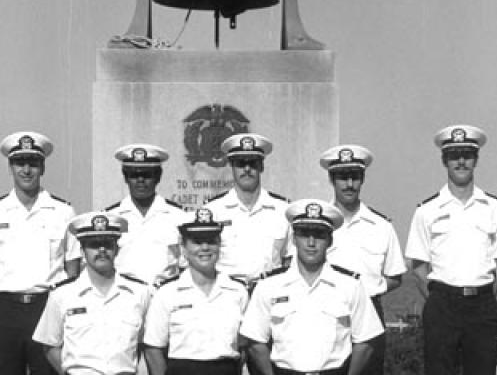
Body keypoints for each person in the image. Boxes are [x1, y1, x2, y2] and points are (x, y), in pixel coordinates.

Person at [404, 124, 497, 375]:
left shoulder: (495, 208)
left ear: (476, 159)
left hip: (482, 304)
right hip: (442, 305)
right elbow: (418, 267)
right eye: (454, 156)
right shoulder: (426, 210)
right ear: (445, 160)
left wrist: (482, 298)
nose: (461, 161)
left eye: (467, 155)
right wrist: (440, 299)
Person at [0, 131, 79, 375]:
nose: (26, 170)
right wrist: (0, 300)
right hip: (5, 311)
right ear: (10, 167)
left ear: (43, 168)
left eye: (33, 163)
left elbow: (73, 267)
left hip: (47, 307)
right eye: (20, 163)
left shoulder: (63, 212)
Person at [240, 199, 383, 375]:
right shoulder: (269, 285)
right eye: (304, 234)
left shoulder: (350, 285)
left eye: (319, 235)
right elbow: (255, 340)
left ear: (330, 240)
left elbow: (366, 341)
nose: (311, 242)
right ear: (293, 239)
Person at [320, 144, 406, 375]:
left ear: (363, 179)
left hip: (369, 312)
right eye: (342, 177)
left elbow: (395, 276)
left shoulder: (381, 226)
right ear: (331, 179)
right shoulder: (318, 225)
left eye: (355, 177)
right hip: (325, 312)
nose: (349, 184)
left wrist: (369, 289)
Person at [33, 211, 152, 375]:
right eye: (94, 244)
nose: (102, 249)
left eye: (108, 244)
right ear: (82, 251)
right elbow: (50, 344)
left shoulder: (139, 293)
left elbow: (149, 345)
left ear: (117, 249)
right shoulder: (62, 295)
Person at [144, 208, 249, 375]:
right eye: (197, 242)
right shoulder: (167, 293)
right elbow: (153, 349)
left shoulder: (237, 291)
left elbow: (244, 349)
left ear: (219, 246)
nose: (205, 248)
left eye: (211, 241)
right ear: (183, 248)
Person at [204, 133, 290, 286]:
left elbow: (290, 259)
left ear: (261, 166)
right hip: (227, 294)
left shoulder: (282, 210)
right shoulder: (213, 211)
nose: (247, 169)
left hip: (269, 291)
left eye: (253, 163)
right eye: (241, 163)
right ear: (232, 166)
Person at [104, 143, 188, 286]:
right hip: (124, 297)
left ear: (158, 177)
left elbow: (186, 266)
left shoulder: (179, 217)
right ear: (126, 178)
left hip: (164, 295)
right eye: (134, 175)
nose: (140, 180)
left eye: (147, 174)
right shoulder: (111, 218)